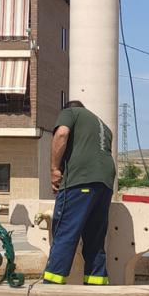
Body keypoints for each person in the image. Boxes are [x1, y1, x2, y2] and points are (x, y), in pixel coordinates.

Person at [44, 100, 116, 285]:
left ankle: (51, 286)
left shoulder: (71, 112)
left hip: (81, 181)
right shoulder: (104, 127)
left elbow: (61, 134)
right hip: (105, 184)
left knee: (65, 232)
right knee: (95, 238)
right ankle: (96, 284)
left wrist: (54, 169)